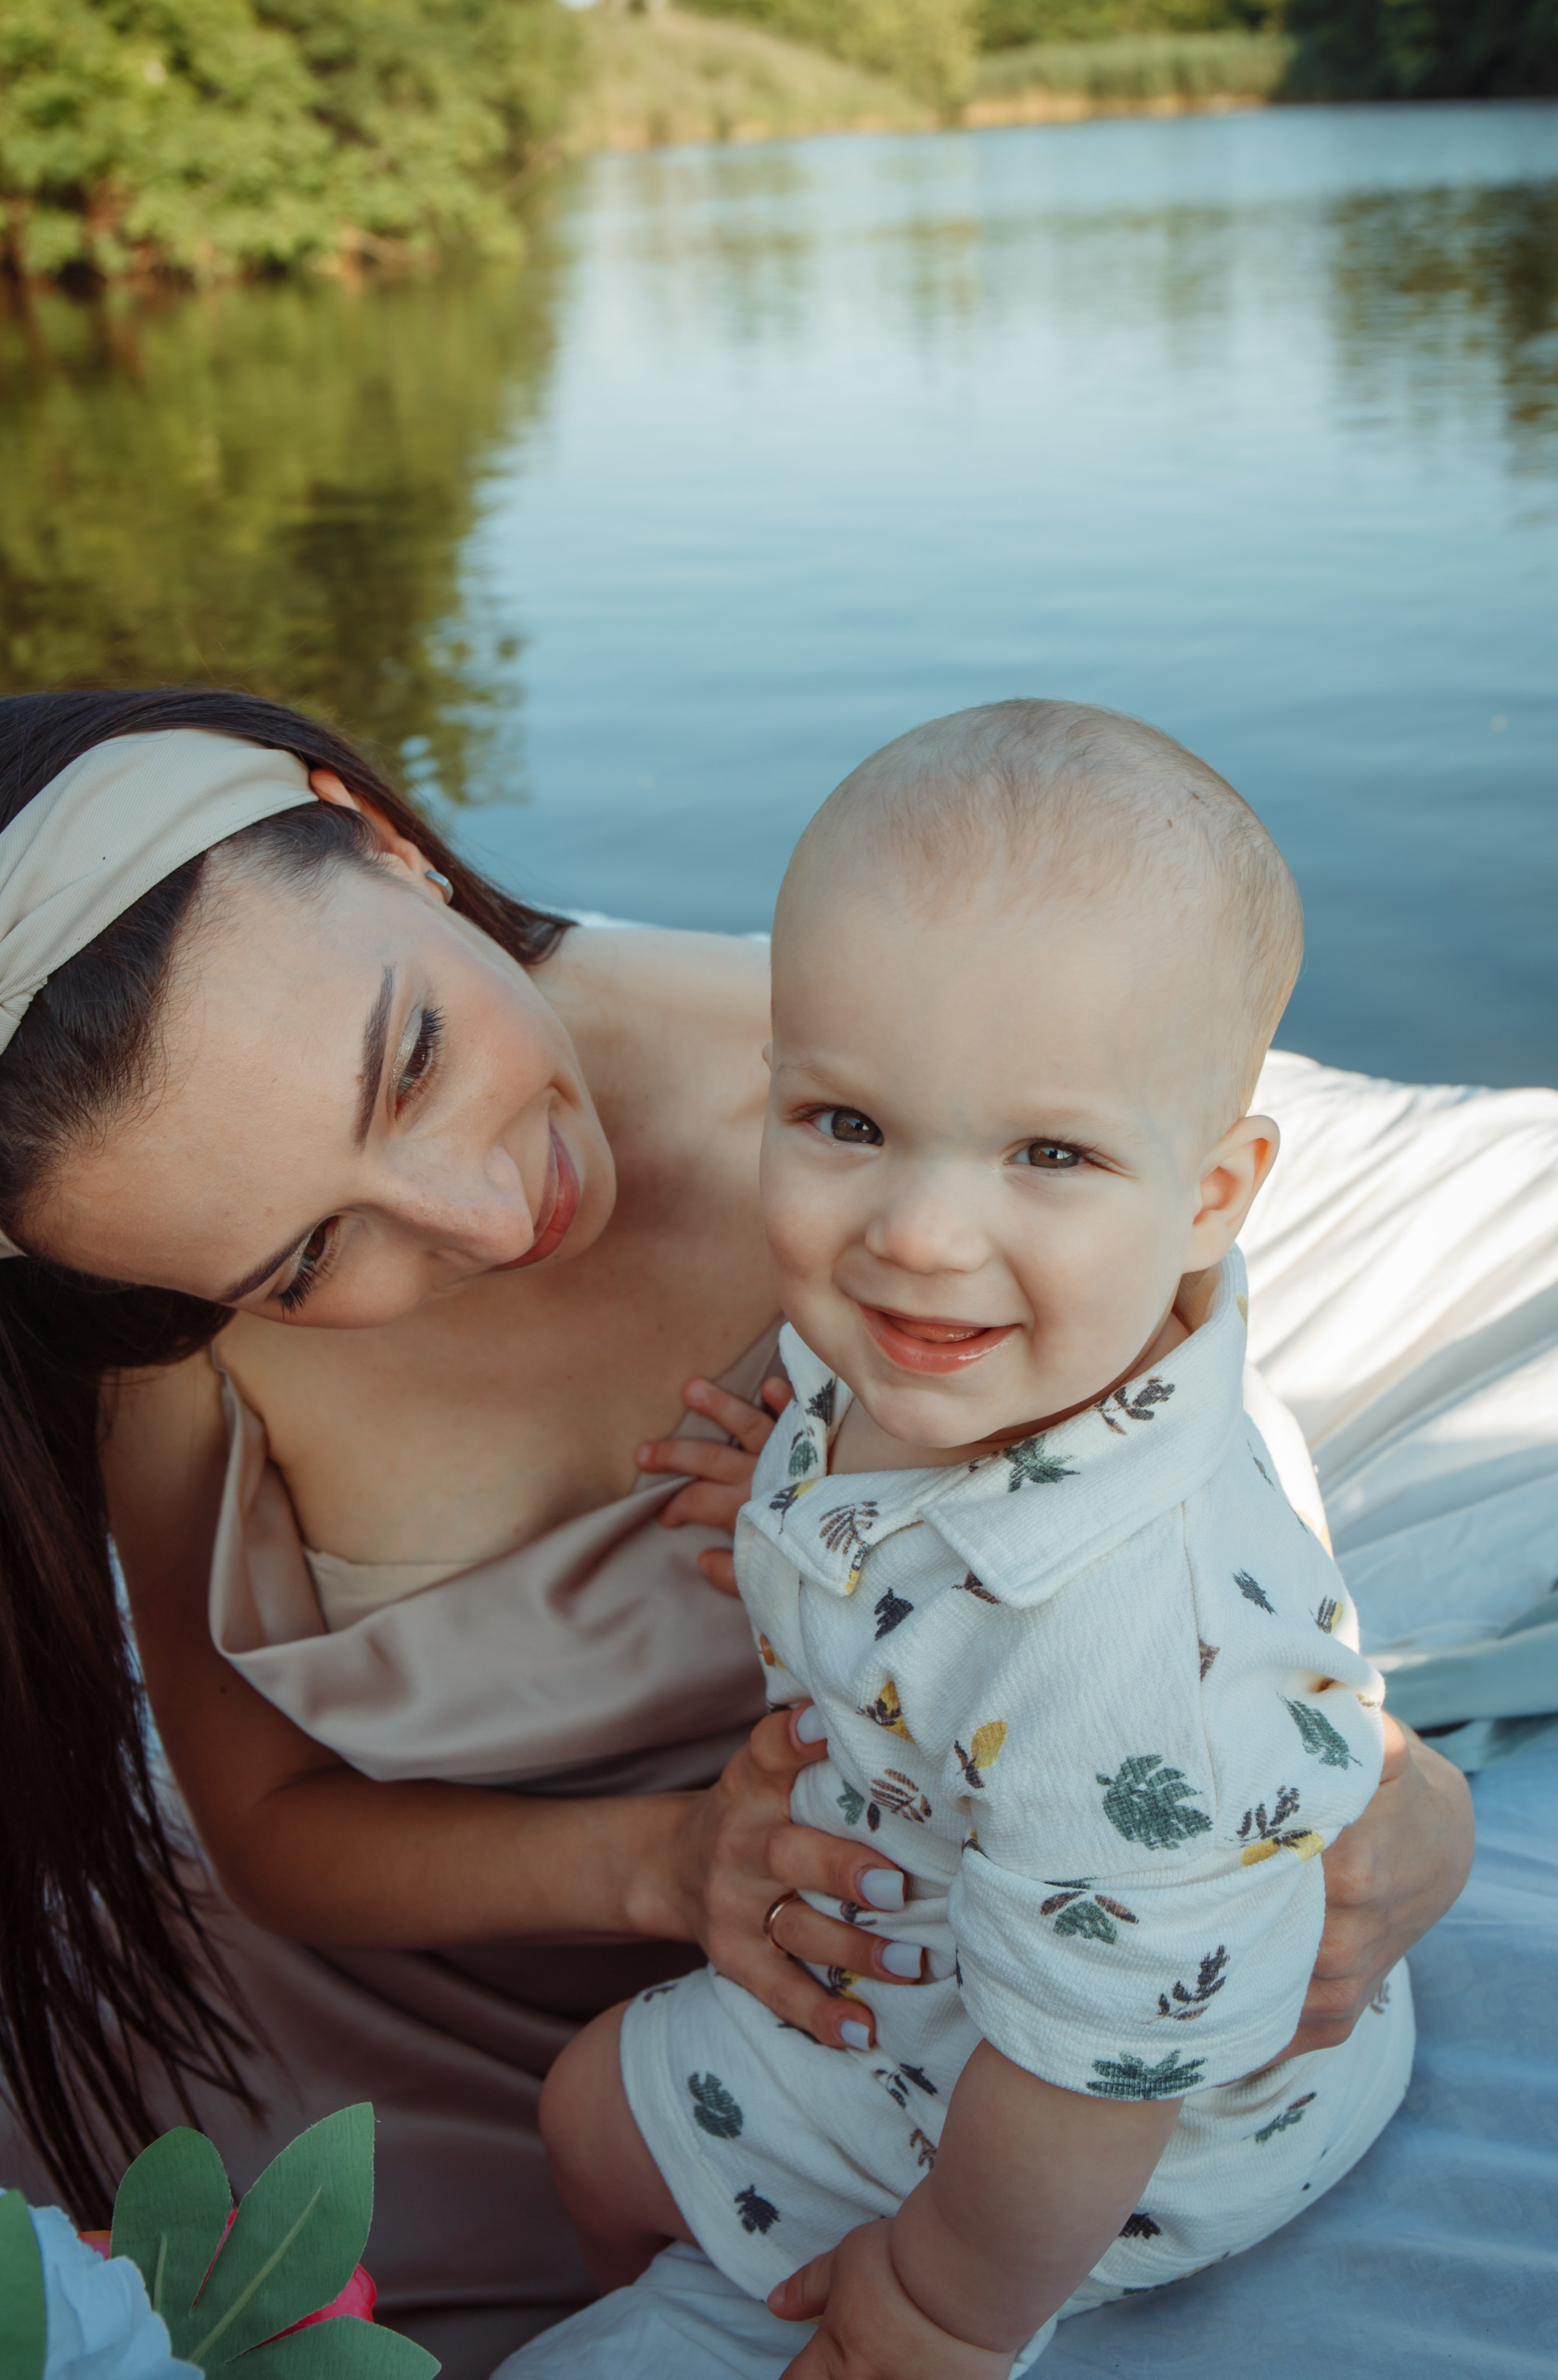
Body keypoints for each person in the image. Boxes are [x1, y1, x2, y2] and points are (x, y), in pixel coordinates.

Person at [0, 688, 1470, 2378]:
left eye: (408, 1063)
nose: (486, 1218)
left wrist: (1389, 1783)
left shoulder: (914, 1073)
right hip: (436, 2002)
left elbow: (1174, 1559)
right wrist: (666, 1864)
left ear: (386, 837)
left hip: (952, 1995)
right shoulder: (171, 1347)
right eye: (307, 1264)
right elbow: (260, 1827)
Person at [539, 702, 1417, 2375]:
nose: (923, 1236)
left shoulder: (1118, 1649)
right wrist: (806, 1501)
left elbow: (1106, 2065)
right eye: (850, 1128)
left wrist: (946, 2305)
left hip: (1127, 2117)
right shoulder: (971, 1363)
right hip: (1002, 1923)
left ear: (1215, 1196)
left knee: (594, 2117)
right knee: (596, 2113)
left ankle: (685, 2317)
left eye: (1051, 1153)